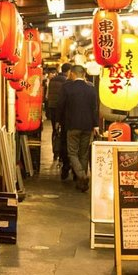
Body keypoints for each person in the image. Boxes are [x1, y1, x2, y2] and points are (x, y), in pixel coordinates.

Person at [55, 64, 99, 192]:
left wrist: (57, 121)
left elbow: (60, 105)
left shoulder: (67, 88)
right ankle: (81, 183)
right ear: (84, 75)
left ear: (72, 74)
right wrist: (95, 125)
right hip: (88, 126)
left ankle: (82, 176)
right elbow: (94, 108)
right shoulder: (91, 89)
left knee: (72, 153)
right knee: (83, 154)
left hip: (72, 125)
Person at [47, 62, 72, 176]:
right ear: (68, 71)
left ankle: (55, 152)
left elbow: (48, 95)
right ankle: (62, 155)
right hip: (62, 111)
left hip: (52, 108)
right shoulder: (66, 82)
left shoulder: (52, 80)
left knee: (55, 131)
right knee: (64, 135)